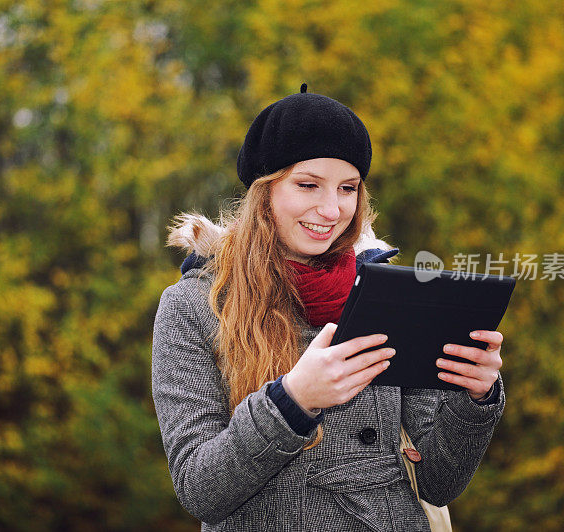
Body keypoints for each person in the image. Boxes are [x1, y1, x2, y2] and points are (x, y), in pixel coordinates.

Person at [151, 83, 505, 531]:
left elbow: (439, 481)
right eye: (308, 185)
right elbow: (200, 488)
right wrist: (293, 400)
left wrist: (474, 396)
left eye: (347, 188)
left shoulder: (391, 294)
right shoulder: (193, 306)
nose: (332, 209)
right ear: (265, 191)